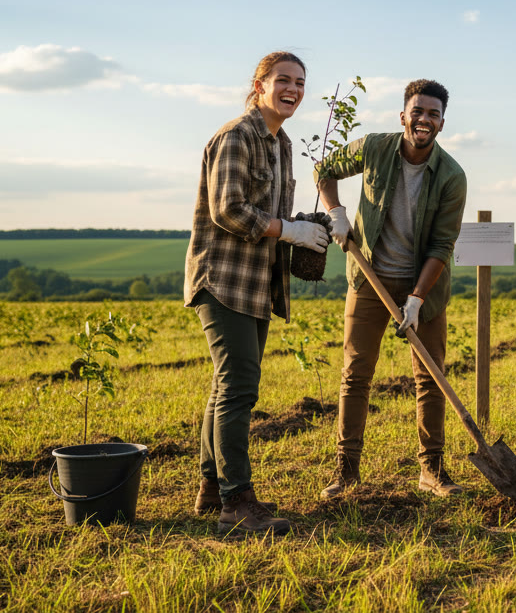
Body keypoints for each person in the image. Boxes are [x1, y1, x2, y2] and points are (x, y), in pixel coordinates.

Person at [184, 51, 331, 535]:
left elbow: (278, 214)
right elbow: (229, 210)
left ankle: (211, 488)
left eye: (301, 83)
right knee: (239, 389)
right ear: (259, 84)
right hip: (223, 279)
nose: (293, 89)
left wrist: (309, 227)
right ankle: (236, 503)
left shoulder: (282, 143)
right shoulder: (236, 137)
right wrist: (288, 231)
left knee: (226, 386)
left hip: (257, 285)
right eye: (283, 80)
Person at [314, 79, 468, 498]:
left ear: (441, 123)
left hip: (424, 288)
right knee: (356, 374)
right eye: (417, 111)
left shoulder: (452, 176)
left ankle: (432, 471)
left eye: (433, 114)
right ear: (404, 115)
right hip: (369, 279)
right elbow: (323, 169)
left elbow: (441, 245)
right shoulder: (374, 148)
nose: (424, 120)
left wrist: (416, 300)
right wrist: (337, 212)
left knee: (430, 377)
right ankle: (346, 472)